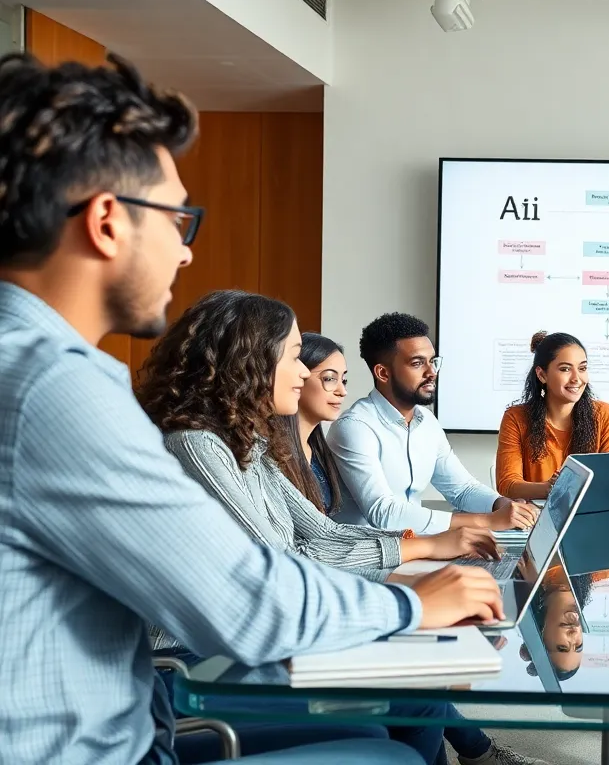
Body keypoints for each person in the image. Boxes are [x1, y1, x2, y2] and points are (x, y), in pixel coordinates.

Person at [0, 52, 498, 765]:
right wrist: (416, 605)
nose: (185, 254)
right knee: (386, 753)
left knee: (381, 736)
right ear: (107, 222)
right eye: (178, 221)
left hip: (133, 719)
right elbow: (245, 601)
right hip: (126, 739)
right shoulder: (56, 389)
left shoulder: (31, 367)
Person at [138, 292, 544, 765]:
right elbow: (280, 564)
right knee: (388, 712)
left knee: (418, 690)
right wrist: (415, 586)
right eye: (294, 357)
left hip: (249, 640)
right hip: (195, 661)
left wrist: (426, 548)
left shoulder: (248, 445)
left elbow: (322, 534)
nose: (303, 374)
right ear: (250, 362)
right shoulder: (197, 445)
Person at [328, 312, 539, 534]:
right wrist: (487, 521)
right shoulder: (354, 427)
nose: (432, 372)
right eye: (417, 363)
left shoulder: (427, 421)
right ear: (383, 373)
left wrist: (503, 505)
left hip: (416, 545)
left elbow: (462, 489)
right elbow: (384, 513)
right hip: (367, 551)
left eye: (433, 361)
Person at [496, 331, 609, 499]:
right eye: (565, 369)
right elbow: (507, 484)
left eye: (582, 368)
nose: (577, 378)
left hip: (591, 510)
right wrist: (549, 488)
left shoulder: (603, 414)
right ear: (542, 375)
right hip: (536, 512)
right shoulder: (516, 417)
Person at [292, 331, 349, 514]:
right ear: (297, 377)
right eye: (329, 379)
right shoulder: (272, 455)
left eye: (343, 380)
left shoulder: (319, 453)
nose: (342, 391)